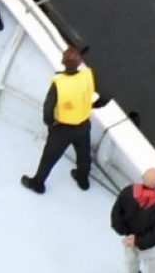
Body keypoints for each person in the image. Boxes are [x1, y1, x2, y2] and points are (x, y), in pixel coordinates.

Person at [20, 46, 100, 194]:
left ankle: (38, 183)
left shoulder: (59, 82)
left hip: (62, 129)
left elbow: (48, 108)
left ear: (63, 63)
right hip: (83, 125)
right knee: (84, 154)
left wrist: (50, 123)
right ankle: (83, 180)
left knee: (49, 156)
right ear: (79, 62)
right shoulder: (87, 75)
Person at [110, 168, 155, 273]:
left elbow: (116, 215)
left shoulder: (127, 192)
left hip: (129, 239)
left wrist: (127, 234)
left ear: (142, 178)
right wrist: (138, 241)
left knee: (130, 261)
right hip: (148, 245)